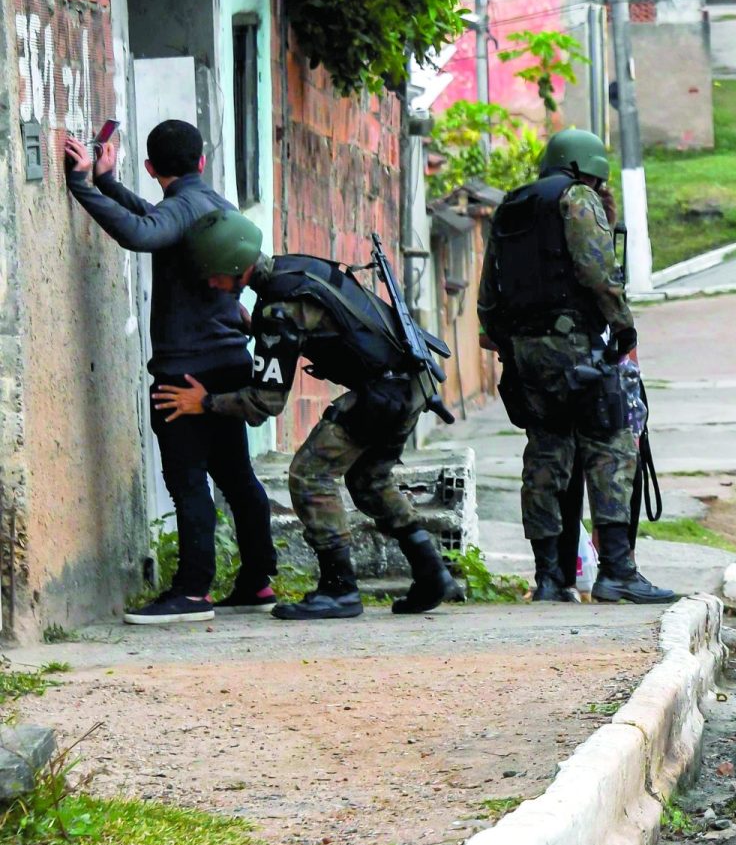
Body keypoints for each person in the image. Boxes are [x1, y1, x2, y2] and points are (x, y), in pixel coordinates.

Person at [156, 211, 463, 621]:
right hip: (411, 383)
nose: (211, 284)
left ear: (234, 267)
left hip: (385, 393)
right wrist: (259, 333)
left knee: (310, 473)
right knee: (368, 479)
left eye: (214, 275)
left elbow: (266, 403)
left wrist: (206, 402)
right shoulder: (293, 269)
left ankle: (340, 588)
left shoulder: (278, 308)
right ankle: (432, 571)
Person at [64, 121, 279, 624]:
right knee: (236, 476)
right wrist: (109, 184)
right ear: (202, 162)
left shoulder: (181, 209)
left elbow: (144, 232)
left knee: (188, 481)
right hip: (228, 362)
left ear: (151, 167)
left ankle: (191, 591)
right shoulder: (216, 206)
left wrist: (80, 184)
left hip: (187, 374)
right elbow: (160, 221)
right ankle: (257, 579)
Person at [478, 128, 677, 607]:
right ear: (586, 169)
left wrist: (514, 346)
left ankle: (550, 577)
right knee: (610, 445)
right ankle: (617, 572)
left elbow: (487, 295)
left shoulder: (511, 206)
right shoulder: (576, 198)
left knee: (546, 456)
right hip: (577, 348)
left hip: (527, 354)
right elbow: (596, 270)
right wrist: (623, 326)